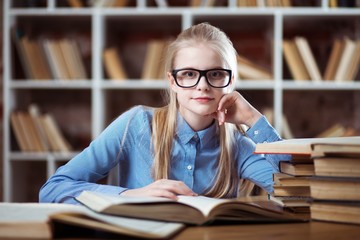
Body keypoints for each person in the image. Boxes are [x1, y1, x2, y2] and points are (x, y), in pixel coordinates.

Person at [39, 22, 287, 204]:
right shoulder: (136, 125)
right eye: (189, 74)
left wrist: (254, 119)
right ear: (172, 81)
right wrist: (130, 195)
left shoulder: (238, 146)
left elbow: (299, 194)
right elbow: (53, 189)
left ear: (231, 81)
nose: (202, 85)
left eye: (215, 74)